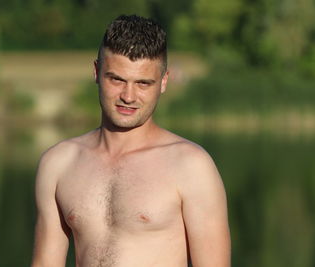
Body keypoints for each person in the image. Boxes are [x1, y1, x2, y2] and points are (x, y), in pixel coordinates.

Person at [31, 14, 230, 267]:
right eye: (117, 79)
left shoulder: (191, 166)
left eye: (143, 83)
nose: (128, 96)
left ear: (164, 82)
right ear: (96, 72)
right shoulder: (58, 163)